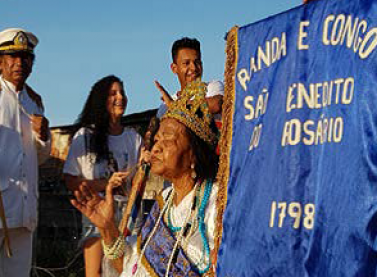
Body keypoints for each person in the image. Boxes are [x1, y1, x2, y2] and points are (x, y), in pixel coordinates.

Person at [71, 79, 219, 276]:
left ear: (193, 154)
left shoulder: (216, 203)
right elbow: (127, 265)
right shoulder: (163, 203)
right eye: (156, 139)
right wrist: (107, 229)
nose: (156, 146)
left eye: (168, 138)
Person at [63, 75, 143, 277]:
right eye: (113, 93)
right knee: (96, 272)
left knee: (127, 269)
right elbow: (70, 180)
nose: (120, 98)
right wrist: (105, 185)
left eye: (122, 92)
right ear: (101, 99)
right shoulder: (85, 136)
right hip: (98, 209)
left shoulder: (133, 138)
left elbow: (140, 179)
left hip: (128, 213)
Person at [0, 28, 50, 277]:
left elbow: (39, 158)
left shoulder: (35, 101)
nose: (19, 62)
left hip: (24, 210)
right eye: (12, 56)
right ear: (1, 61)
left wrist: (43, 137)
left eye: (25, 57)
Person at [155, 37, 224, 121]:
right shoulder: (164, 107)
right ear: (174, 68)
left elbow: (215, 105)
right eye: (186, 63)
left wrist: (175, 106)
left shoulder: (212, 87)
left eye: (197, 62)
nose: (194, 68)